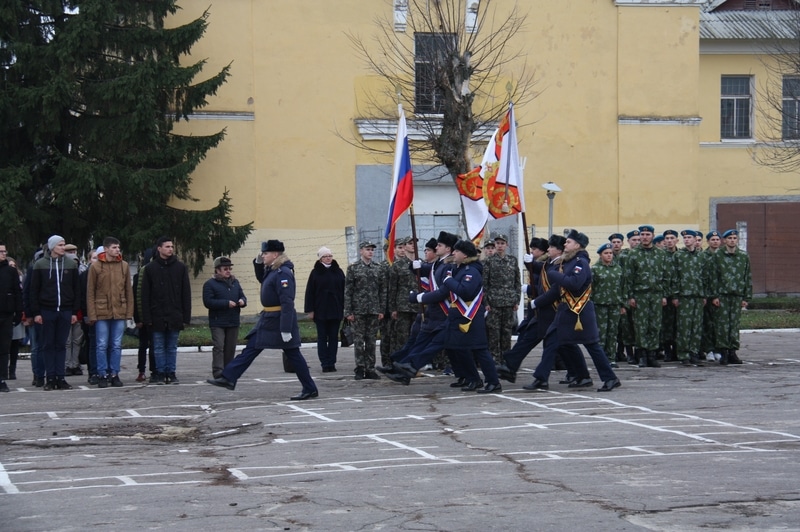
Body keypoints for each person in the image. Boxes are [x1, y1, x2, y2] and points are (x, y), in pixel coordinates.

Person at [207, 240, 318, 400]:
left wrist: (286, 328)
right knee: (253, 348)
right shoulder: (273, 270)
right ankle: (229, 377)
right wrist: (258, 262)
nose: (263, 256)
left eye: (265, 254)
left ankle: (309, 388)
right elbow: (262, 278)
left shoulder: (283, 273)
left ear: (275, 255)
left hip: (279, 319)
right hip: (269, 318)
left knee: (292, 354)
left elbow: (287, 302)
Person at [396, 239, 502, 393]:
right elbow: (437, 275)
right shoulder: (460, 269)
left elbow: (466, 292)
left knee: (480, 350)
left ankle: (493, 382)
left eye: (457, 251)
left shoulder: (471, 271)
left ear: (465, 255)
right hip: (457, 315)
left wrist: (450, 281)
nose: (454, 253)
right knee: (455, 347)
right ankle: (473, 379)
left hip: (470, 317)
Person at [523, 230, 621, 393]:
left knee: (592, 346)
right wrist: (531, 264)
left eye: (568, 242)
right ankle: (567, 376)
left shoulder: (580, 262)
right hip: (565, 310)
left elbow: (574, 283)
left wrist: (554, 275)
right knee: (558, 341)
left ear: (577, 245)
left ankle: (610, 378)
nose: (565, 244)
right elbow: (551, 277)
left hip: (580, 311)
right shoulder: (567, 261)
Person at [30, 235, 80, 390]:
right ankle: (50, 378)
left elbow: (76, 290)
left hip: (65, 310)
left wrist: (73, 312)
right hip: (47, 311)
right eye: (60, 245)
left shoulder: (71, 264)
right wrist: (36, 312)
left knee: (61, 345)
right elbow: (34, 291)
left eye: (64, 244)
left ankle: (61, 377)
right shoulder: (40, 265)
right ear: (52, 247)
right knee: (48, 345)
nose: (63, 247)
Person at [140, 236, 191, 385]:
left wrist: (185, 316)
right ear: (159, 249)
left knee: (172, 346)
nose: (170, 249)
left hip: (175, 314)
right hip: (157, 315)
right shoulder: (150, 269)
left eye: (172, 247)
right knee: (158, 346)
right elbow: (145, 295)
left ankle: (171, 372)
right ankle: (160, 373)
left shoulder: (180, 268)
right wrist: (146, 317)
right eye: (167, 246)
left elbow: (185, 293)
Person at [86, 237, 135, 388]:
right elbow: (90, 292)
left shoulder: (124, 266)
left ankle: (114, 373)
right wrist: (92, 314)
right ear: (106, 249)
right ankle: (102, 374)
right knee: (101, 344)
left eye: (118, 247)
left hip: (119, 310)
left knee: (116, 344)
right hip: (101, 312)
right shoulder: (96, 267)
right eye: (114, 247)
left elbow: (128, 290)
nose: (117, 250)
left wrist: (129, 312)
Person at [623, 225, 670, 368]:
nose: (644, 237)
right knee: (640, 325)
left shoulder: (660, 254)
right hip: (640, 295)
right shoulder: (633, 254)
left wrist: (664, 295)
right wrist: (630, 296)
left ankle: (652, 354)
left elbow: (666, 276)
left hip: (656, 294)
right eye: (642, 234)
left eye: (647, 234)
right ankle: (642, 354)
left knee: (654, 325)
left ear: (653, 236)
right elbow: (628, 277)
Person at [343, 240, 385, 380]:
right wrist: (348, 311)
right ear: (361, 251)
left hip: (373, 310)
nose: (370, 252)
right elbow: (348, 291)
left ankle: (370, 368)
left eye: (372, 250)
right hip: (358, 310)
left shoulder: (378, 268)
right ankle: (360, 368)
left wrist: (381, 309)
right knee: (359, 341)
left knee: (371, 341)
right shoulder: (354, 268)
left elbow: (382, 290)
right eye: (367, 249)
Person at [710, 229, 751, 365]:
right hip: (722, 295)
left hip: (737, 295)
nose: (732, 240)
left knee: (734, 325)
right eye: (730, 238)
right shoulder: (718, 256)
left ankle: (733, 351)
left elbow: (747, 277)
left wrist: (746, 297)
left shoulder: (743, 256)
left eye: (734, 238)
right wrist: (714, 295)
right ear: (725, 240)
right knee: (722, 325)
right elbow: (714, 276)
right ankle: (724, 352)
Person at [202, 256, 247, 379]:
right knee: (219, 346)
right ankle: (218, 371)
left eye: (229, 268)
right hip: (218, 321)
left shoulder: (235, 282)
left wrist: (242, 301)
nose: (228, 271)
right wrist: (226, 303)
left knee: (230, 348)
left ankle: (228, 370)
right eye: (225, 268)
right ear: (217, 270)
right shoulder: (210, 284)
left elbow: (243, 296)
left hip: (233, 320)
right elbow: (208, 302)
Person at [670, 230, 708, 367]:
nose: (686, 240)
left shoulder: (701, 256)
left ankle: (694, 353)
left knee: (696, 326)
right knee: (684, 326)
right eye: (684, 238)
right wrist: (675, 295)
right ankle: (683, 354)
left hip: (697, 296)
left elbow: (705, 276)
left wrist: (704, 294)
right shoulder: (678, 256)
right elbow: (674, 277)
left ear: (695, 239)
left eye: (689, 237)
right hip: (684, 296)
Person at [304, 246, 345, 372]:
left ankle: (331, 362)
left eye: (330, 256)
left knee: (333, 337)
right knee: (322, 337)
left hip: (336, 309)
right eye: (325, 256)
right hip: (320, 310)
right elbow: (310, 292)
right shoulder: (315, 272)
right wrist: (310, 310)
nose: (328, 258)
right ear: (320, 258)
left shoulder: (338, 271)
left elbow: (345, 290)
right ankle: (324, 363)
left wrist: (346, 308)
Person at [483, 233, 521, 363]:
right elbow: (485, 283)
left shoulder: (512, 260)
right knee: (494, 333)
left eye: (502, 243)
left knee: (506, 332)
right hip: (494, 302)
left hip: (509, 301)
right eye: (497, 243)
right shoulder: (489, 261)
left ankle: (506, 359)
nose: (500, 246)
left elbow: (517, 281)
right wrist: (486, 301)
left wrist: (517, 300)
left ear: (507, 245)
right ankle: (494, 359)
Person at [591, 243, 625, 367]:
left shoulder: (618, 269)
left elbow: (623, 286)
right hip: (600, 304)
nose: (609, 255)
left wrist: (623, 304)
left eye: (610, 253)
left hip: (615, 304)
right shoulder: (595, 269)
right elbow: (591, 288)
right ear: (600, 255)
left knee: (613, 332)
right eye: (606, 253)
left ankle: (611, 358)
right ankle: (601, 358)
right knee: (601, 332)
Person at [0, 243, 23, 392]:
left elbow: (17, 293)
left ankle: (2, 379)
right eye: (0, 251)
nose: (3, 254)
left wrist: (18, 313)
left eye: (4, 251)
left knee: (4, 349)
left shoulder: (10, 271)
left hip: (6, 315)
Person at [133, 248, 154, 382]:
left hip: (155, 316)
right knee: (143, 345)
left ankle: (155, 370)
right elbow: (136, 298)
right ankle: (141, 370)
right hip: (143, 316)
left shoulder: (158, 273)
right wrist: (138, 318)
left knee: (154, 345)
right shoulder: (139, 276)